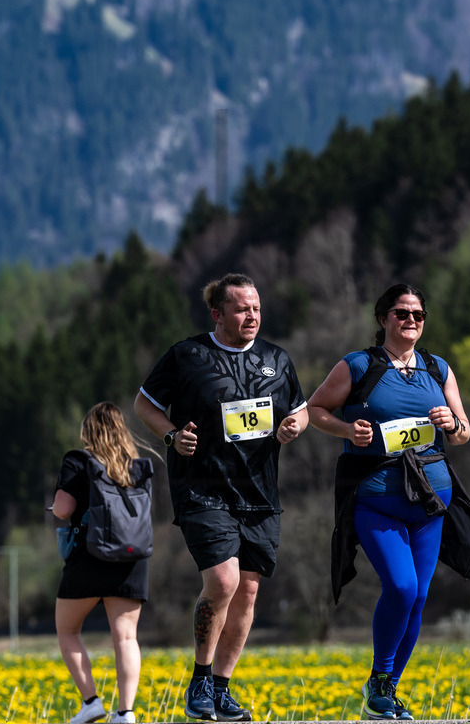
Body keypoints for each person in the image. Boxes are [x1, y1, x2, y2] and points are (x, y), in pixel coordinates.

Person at [133, 273, 308, 722]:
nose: (252, 316)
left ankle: (222, 688)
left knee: (247, 593)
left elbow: (300, 410)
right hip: (202, 490)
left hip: (260, 493)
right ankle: (200, 679)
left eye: (256, 308)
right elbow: (144, 404)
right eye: (241, 309)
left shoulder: (277, 359)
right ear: (218, 314)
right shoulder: (187, 355)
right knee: (224, 582)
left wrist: (294, 426)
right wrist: (172, 436)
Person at [306, 284, 470, 721]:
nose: (411, 321)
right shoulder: (358, 365)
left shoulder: (438, 368)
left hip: (429, 501)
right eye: (402, 313)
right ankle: (380, 679)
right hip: (375, 497)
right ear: (383, 317)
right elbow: (315, 410)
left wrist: (453, 421)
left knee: (419, 597)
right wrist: (349, 432)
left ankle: (384, 691)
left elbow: (463, 432)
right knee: (401, 588)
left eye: (418, 314)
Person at [52, 402, 153, 724]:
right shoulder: (136, 466)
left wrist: (55, 506)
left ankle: (91, 702)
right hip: (131, 559)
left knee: (68, 630)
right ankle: (126, 712)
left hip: (90, 557)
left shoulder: (79, 460)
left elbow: (63, 509)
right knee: (125, 637)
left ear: (88, 431)